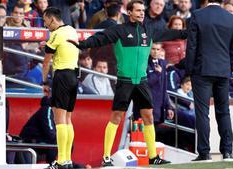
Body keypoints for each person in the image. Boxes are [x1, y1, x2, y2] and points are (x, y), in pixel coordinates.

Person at [70, 0, 186, 166]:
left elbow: (172, 34)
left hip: (142, 82)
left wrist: (191, 32)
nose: (141, 13)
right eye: (137, 10)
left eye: (142, 10)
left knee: (148, 117)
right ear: (129, 13)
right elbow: (99, 39)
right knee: (116, 118)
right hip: (124, 82)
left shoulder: (149, 30)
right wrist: (80, 44)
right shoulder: (119, 30)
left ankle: (153, 157)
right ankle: (106, 157)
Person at [185, 0, 233, 162]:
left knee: (202, 113)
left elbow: (192, 46)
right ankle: (228, 152)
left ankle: (204, 153)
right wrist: (228, 68)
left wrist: (189, 70)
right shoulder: (230, 18)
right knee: (224, 111)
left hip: (202, 70)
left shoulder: (198, 15)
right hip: (223, 71)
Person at [42, 7, 79, 169]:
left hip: (62, 77)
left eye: (45, 21)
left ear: (52, 19)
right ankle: (68, 159)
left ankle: (61, 160)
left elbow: (46, 61)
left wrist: (44, 82)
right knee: (68, 119)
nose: (45, 25)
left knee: (59, 120)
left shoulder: (55, 34)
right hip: (74, 77)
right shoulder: (72, 30)